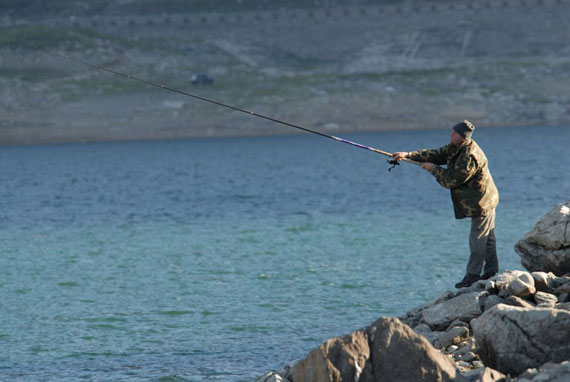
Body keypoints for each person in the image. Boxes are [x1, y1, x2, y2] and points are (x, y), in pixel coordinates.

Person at [393, 120, 499, 288]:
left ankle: (473, 276)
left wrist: (433, 169)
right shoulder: (456, 147)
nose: (450, 135)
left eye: (454, 133)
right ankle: (491, 272)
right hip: (481, 199)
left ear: (463, 138)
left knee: (478, 239)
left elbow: (451, 180)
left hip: (482, 201)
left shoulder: (470, 156)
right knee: (487, 238)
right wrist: (407, 155)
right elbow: (436, 154)